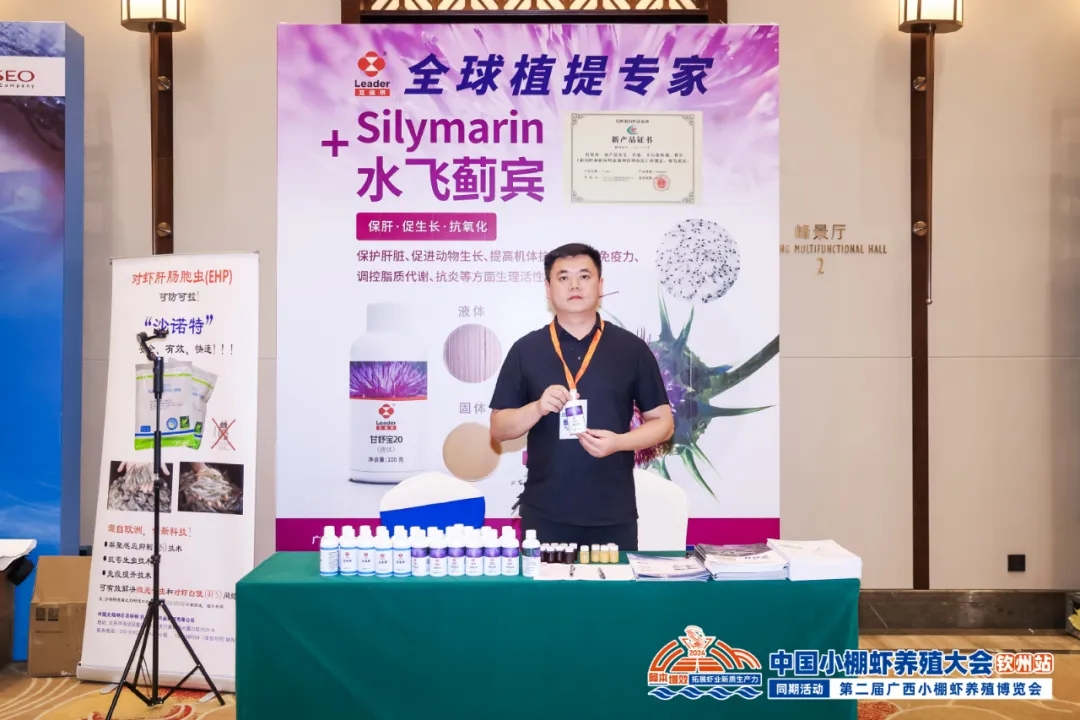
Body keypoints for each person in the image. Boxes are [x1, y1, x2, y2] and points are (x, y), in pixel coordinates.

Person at [489, 243, 674, 551]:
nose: (574, 285)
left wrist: (619, 442)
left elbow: (663, 423)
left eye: (584, 276)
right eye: (563, 277)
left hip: (613, 514)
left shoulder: (631, 349)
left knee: (613, 586)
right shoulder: (526, 350)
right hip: (544, 514)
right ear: (548, 289)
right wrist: (537, 407)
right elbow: (498, 428)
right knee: (546, 587)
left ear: (600, 285)